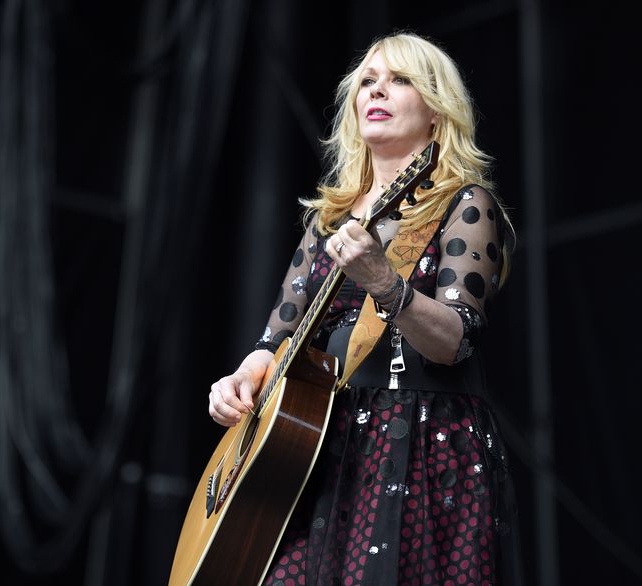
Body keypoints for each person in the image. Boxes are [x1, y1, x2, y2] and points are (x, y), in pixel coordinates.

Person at [208, 31, 523, 585]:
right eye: (368, 82)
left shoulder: (465, 204)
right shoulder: (327, 219)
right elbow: (278, 336)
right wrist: (242, 376)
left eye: (400, 80)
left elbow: (454, 340)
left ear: (436, 111)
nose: (377, 91)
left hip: (422, 446)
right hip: (317, 447)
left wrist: (382, 279)